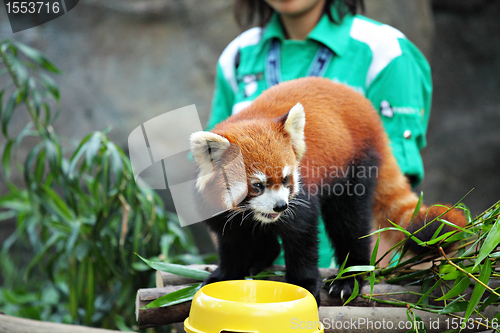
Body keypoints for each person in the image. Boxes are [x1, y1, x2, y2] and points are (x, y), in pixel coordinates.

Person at [206, 0, 432, 268]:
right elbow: (213, 183)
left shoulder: (385, 50)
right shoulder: (238, 54)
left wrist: (361, 280)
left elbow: (381, 186)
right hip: (264, 278)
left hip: (347, 274)